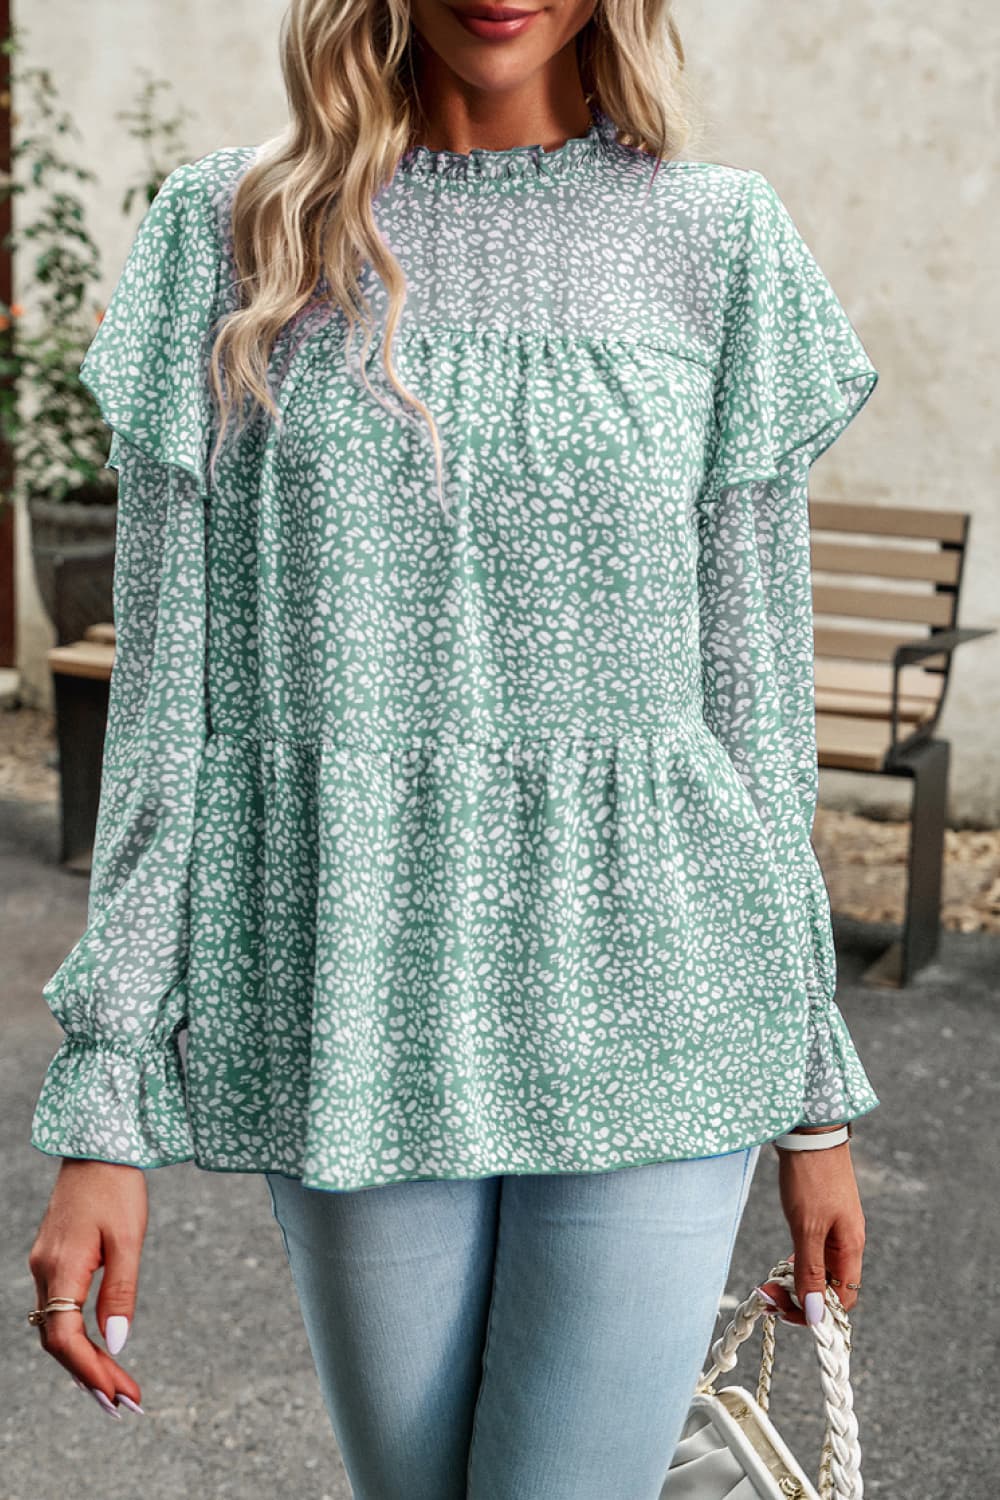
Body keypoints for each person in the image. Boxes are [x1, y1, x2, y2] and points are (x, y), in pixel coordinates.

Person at [26, 1, 880, 1493]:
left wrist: (812, 1098)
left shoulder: (720, 240)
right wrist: (105, 1110)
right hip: (354, 992)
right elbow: (166, 713)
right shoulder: (228, 235)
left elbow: (757, 706)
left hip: (659, 990)